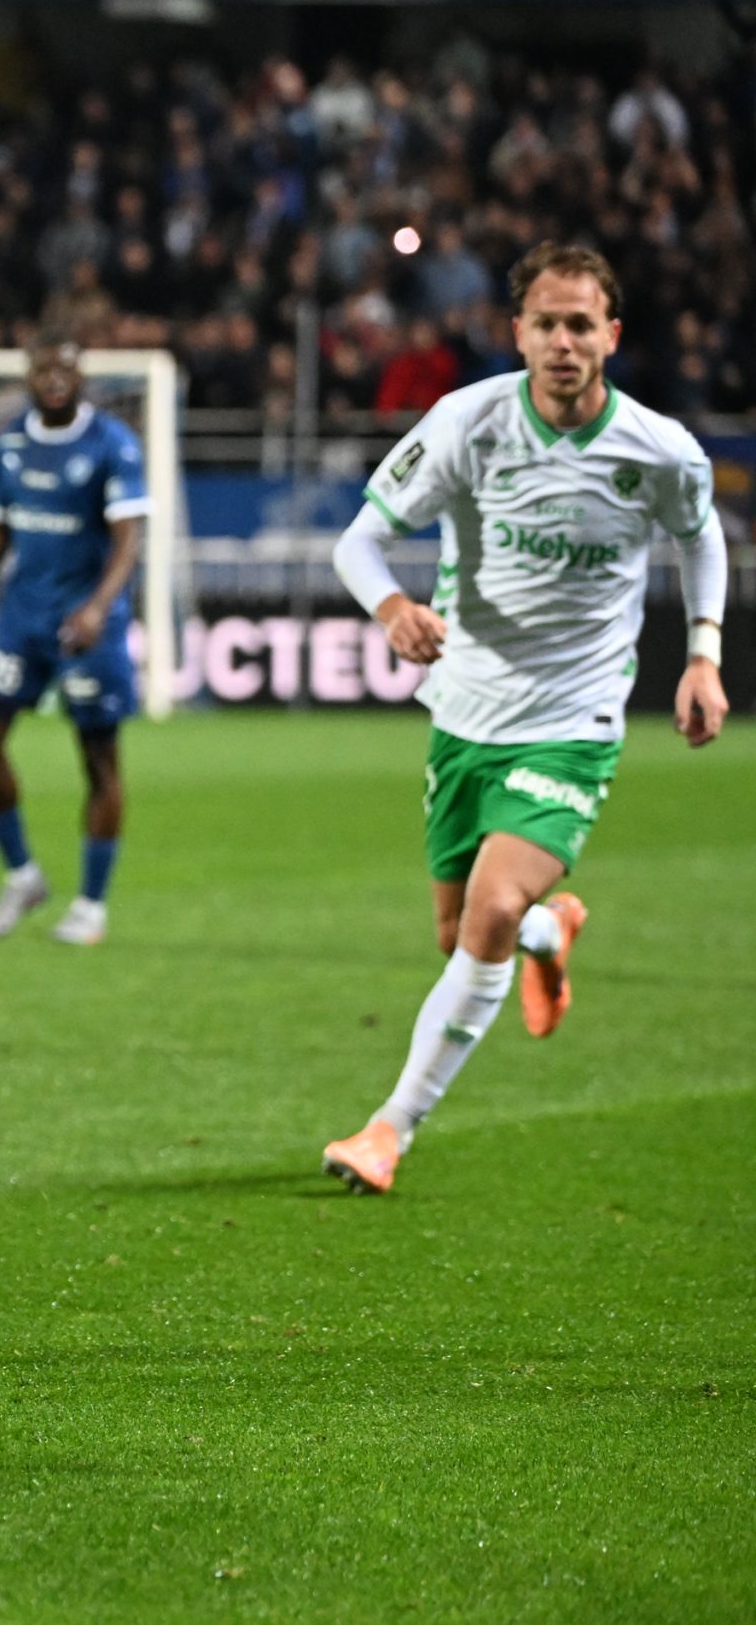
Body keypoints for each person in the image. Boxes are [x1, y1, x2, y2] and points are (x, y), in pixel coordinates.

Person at [321, 243, 730, 1196]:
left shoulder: (660, 450)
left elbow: (701, 537)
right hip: (465, 708)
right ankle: (551, 934)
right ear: (518, 332)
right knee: (463, 931)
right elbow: (362, 541)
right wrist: (391, 607)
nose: (561, 341)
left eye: (581, 323)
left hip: (574, 715)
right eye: (544, 323)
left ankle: (389, 1129)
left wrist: (703, 651)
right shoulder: (468, 421)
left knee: (489, 912)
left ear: (611, 336)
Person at [0, 335, 148, 946]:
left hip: (85, 624)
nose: (54, 377)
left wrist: (98, 609)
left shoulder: (112, 443)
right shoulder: (11, 443)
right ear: (28, 375)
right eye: (43, 367)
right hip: (21, 619)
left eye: (66, 367)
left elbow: (129, 540)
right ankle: (22, 875)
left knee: (99, 758)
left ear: (82, 375)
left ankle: (91, 906)